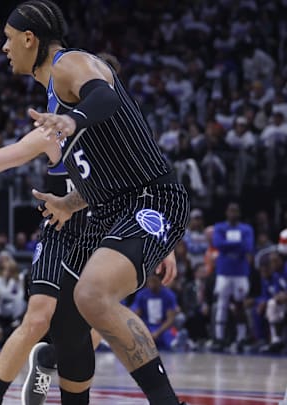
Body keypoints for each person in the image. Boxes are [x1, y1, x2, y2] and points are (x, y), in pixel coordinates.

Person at [17, 0, 190, 402]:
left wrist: (164, 244)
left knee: (92, 301)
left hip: (129, 209)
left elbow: (144, 184)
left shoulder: (93, 105)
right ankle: (54, 360)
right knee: (65, 318)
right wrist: (67, 204)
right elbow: (100, 185)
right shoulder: (61, 114)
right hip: (92, 216)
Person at [211, 202, 254, 351]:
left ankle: (241, 338)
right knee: (222, 304)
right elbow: (217, 243)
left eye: (236, 211)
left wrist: (227, 244)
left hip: (240, 273)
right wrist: (237, 244)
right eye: (231, 211)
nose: (233, 213)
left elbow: (248, 247)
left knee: (240, 305)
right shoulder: (219, 227)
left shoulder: (246, 229)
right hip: (224, 272)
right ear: (226, 213)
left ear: (239, 213)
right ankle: (219, 338)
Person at [130, 274, 178, 350]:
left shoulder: (169, 295)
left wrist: (157, 333)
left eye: (154, 281)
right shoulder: (141, 295)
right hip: (147, 326)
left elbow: (170, 319)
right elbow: (136, 314)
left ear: (160, 281)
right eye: (150, 281)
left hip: (162, 328)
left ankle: (177, 342)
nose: (152, 284)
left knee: (168, 340)